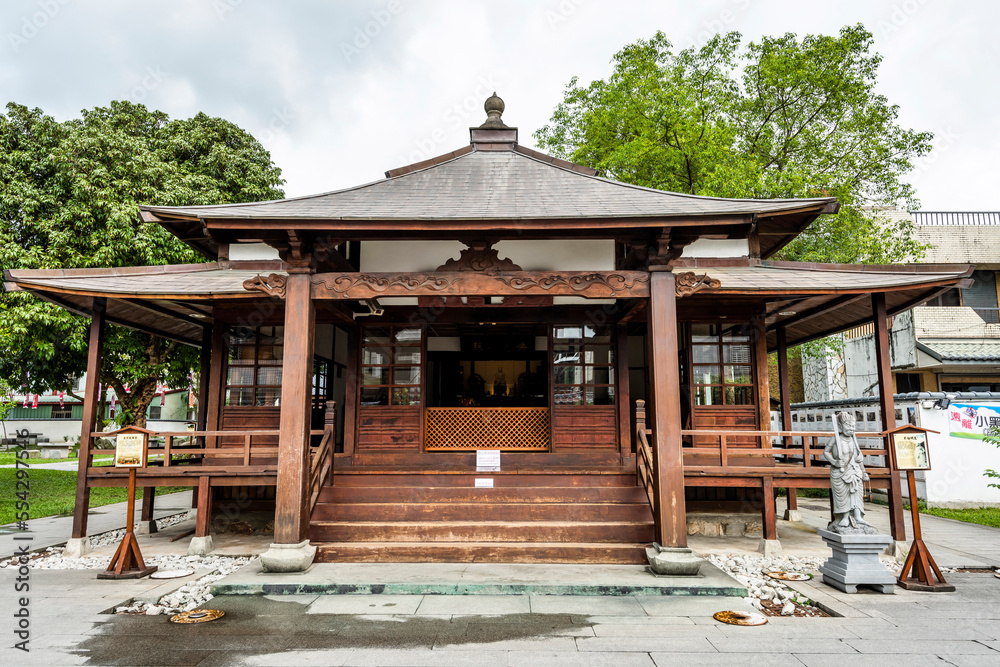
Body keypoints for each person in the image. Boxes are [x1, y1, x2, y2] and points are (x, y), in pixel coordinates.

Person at [824, 411, 875, 532]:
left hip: (854, 470)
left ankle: (857, 516)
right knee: (843, 494)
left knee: (856, 493)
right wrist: (834, 462)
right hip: (840, 471)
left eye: (853, 426)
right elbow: (826, 452)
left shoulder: (854, 441)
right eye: (848, 426)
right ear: (840, 426)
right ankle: (844, 516)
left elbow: (859, 458)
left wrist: (863, 472)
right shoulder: (835, 439)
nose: (851, 429)